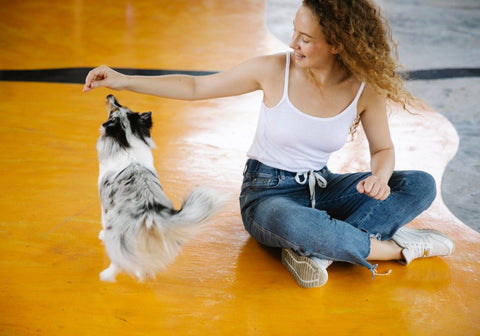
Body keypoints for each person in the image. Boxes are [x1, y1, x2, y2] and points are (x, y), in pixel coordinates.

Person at [84, 0, 455, 288]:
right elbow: (196, 87)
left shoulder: (363, 88)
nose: (293, 43)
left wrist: (380, 175)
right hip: (266, 195)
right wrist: (124, 80)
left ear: (338, 44)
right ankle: (397, 248)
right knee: (298, 224)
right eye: (294, 31)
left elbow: (383, 151)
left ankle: (318, 251)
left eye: (306, 38)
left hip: (322, 188)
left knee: (419, 184)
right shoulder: (275, 70)